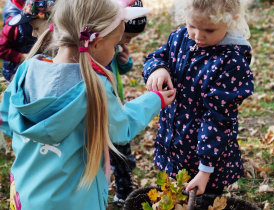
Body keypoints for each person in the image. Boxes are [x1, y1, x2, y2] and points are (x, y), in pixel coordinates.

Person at [0, 0, 176, 209]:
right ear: (95, 43)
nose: (116, 50)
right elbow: (121, 127)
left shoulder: (26, 70)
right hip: (76, 201)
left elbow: (6, 119)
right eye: (115, 44)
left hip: (25, 193)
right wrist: (154, 99)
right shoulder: (94, 86)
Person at [143, 0, 254, 197]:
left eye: (209, 30)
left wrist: (205, 170)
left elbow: (218, 119)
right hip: (172, 145)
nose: (198, 35)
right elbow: (157, 56)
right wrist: (157, 69)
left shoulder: (231, 62)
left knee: (204, 201)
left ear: (231, 22)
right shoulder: (180, 38)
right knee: (171, 198)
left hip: (207, 161)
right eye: (192, 25)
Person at [107, 0, 148, 204]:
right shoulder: (101, 44)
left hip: (116, 106)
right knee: (114, 149)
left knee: (121, 153)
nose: (129, 42)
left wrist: (124, 62)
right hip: (104, 108)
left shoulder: (113, 45)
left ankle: (124, 192)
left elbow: (119, 69)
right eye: (128, 36)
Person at [0, 0, 36, 82]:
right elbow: (1, 49)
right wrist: (21, 57)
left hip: (33, 66)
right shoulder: (13, 21)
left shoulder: (34, 7)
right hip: (17, 72)